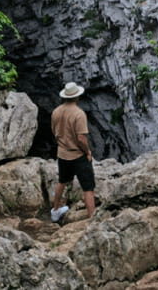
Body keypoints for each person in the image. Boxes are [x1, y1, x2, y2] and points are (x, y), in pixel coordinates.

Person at [50, 81, 96, 222]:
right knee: (88, 188)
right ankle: (92, 218)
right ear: (77, 97)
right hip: (77, 155)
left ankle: (55, 211)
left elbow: (54, 131)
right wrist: (87, 152)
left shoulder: (56, 111)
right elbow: (81, 138)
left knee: (62, 181)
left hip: (63, 153)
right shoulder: (79, 114)